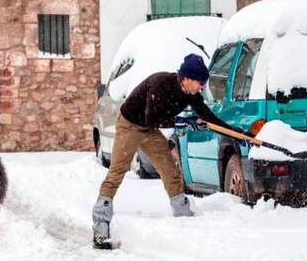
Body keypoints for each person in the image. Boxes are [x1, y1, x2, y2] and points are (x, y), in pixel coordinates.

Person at [92, 53, 243, 249]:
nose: (202, 87)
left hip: (149, 130)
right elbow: (151, 119)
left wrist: (234, 133)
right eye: (200, 82)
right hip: (130, 125)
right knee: (117, 171)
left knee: (170, 169)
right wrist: (184, 122)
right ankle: (100, 227)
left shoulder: (191, 94)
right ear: (187, 78)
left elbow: (207, 116)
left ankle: (184, 217)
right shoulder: (161, 84)